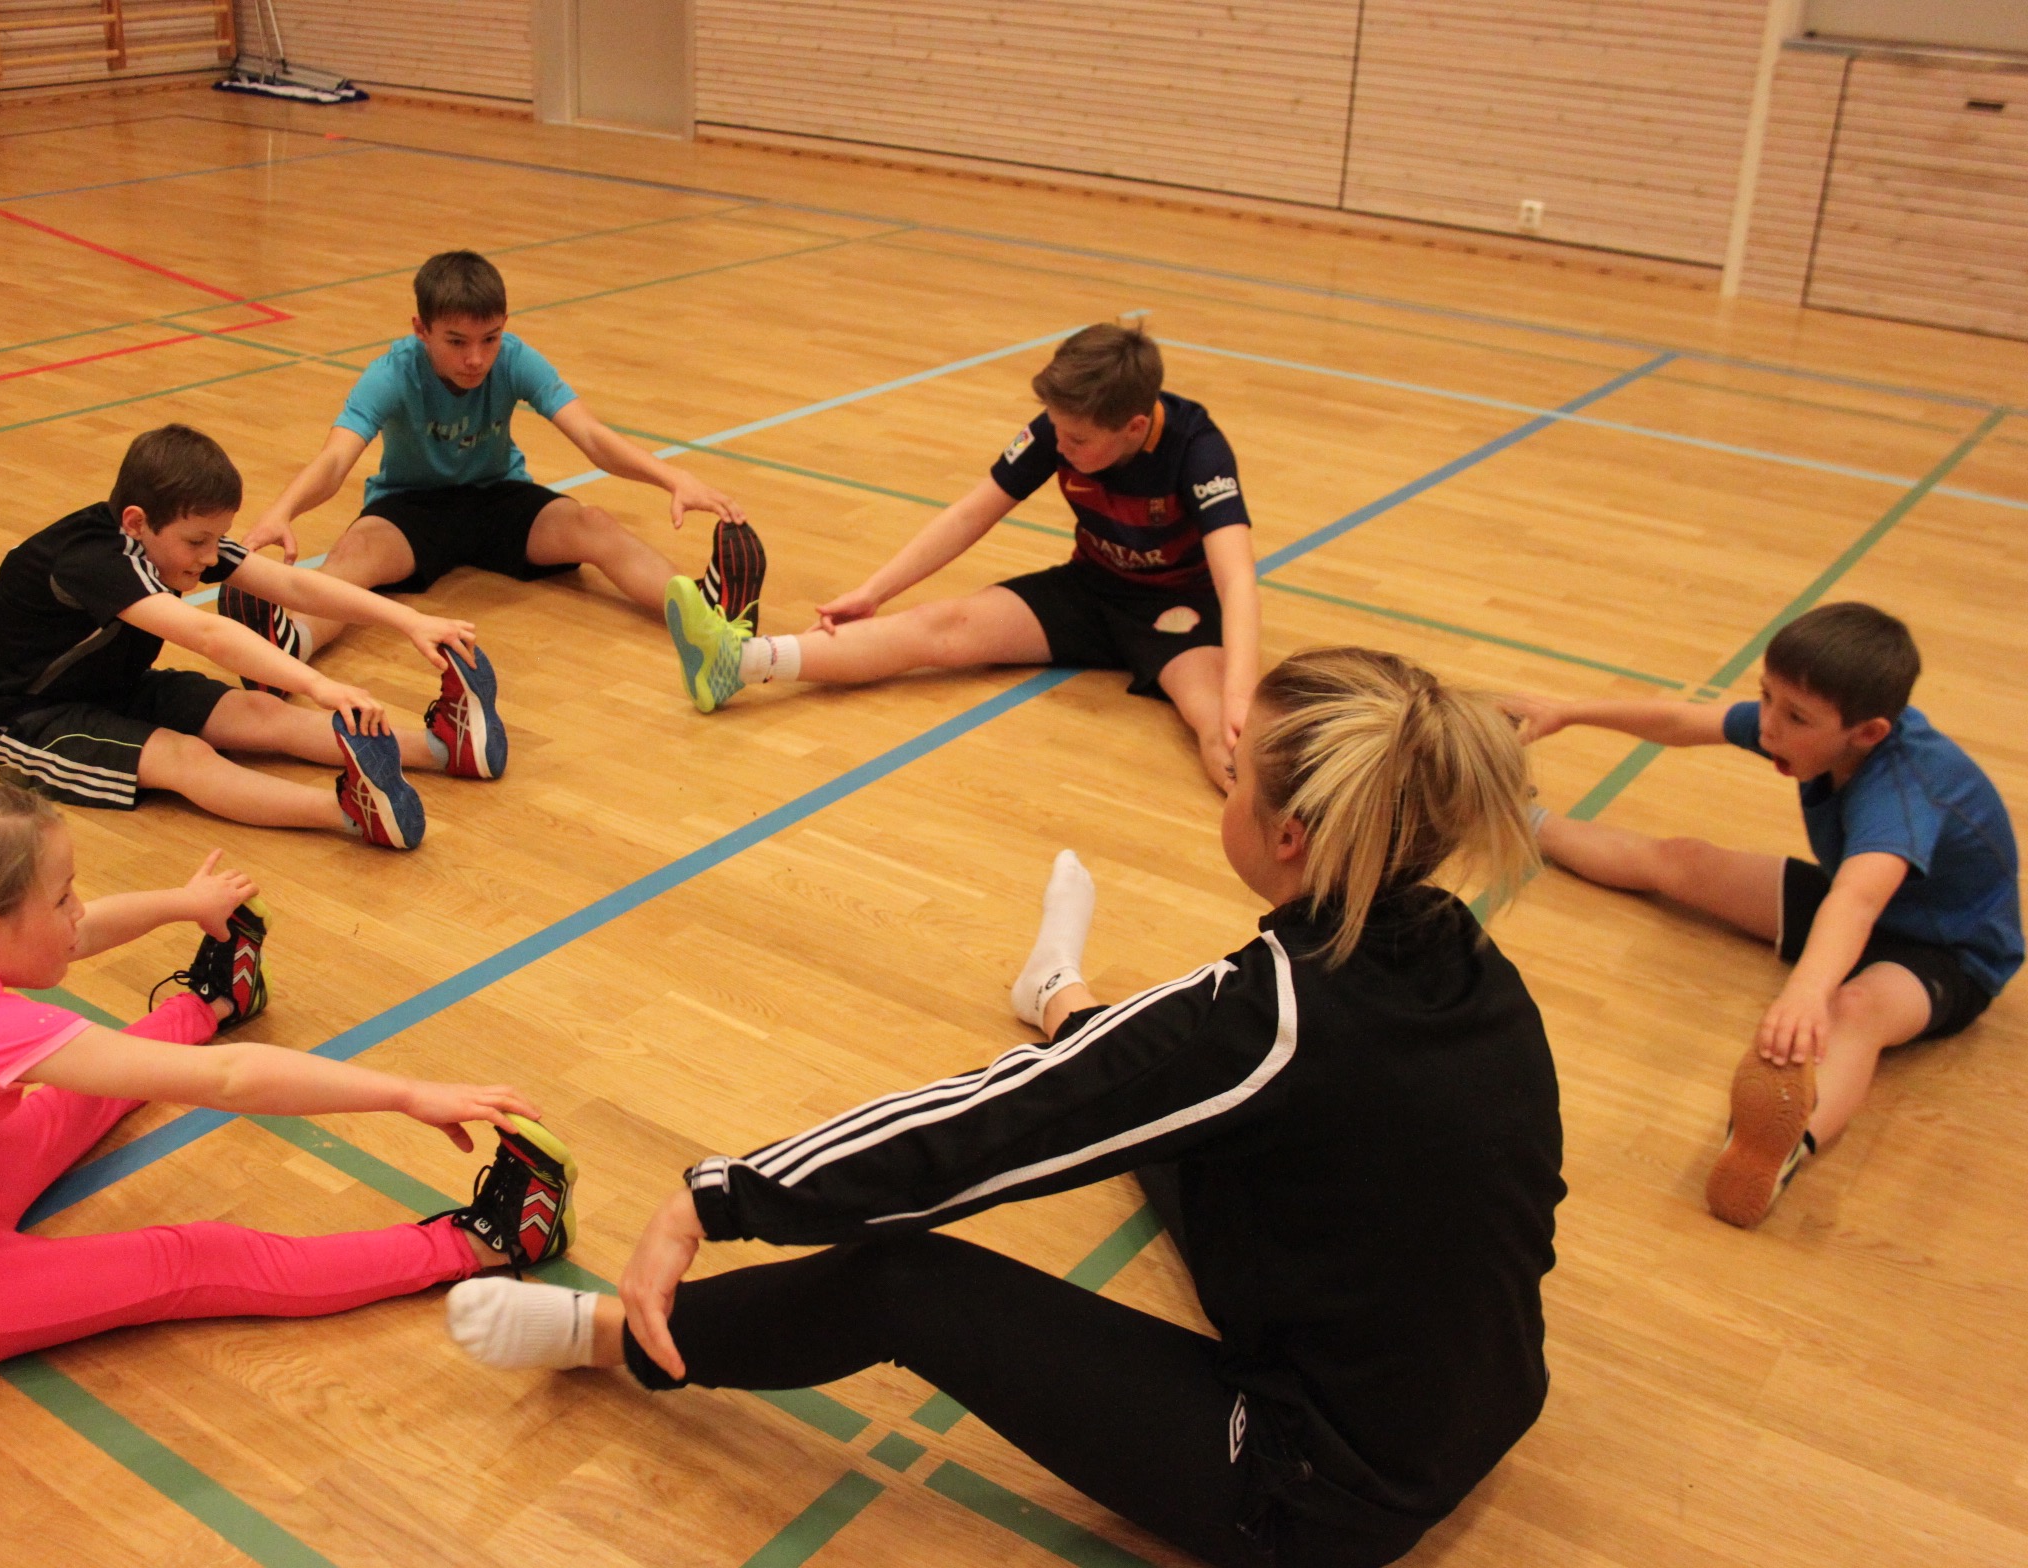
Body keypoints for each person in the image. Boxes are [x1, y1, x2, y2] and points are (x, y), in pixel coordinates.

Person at [449, 648, 1564, 1568]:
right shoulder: (1471, 959)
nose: (1224, 789)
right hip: (1487, 1398)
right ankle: (1060, 995)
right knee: (1167, 1108)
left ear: (1288, 838)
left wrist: (716, 1196)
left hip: (1315, 1490)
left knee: (907, 1279)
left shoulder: (1271, 1020)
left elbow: (989, 1127)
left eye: (1238, 781)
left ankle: (617, 1339)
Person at [0, 783, 577, 1390]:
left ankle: (213, 1000)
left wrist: (182, 902)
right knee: (196, 1256)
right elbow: (230, 1081)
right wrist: (407, 1094)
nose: (78, 912)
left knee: (73, 1093)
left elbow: (67, 941)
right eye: (63, 897)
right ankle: (487, 1244)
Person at [1503, 601, 2021, 1227]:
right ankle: (1518, 819)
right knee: (1685, 861)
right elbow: (1681, 720)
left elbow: (1857, 901)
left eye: (1794, 716)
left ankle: (1775, 1150)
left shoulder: (1903, 793)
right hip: (1860, 902)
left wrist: (1805, 993)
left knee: (1855, 1009)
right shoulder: (1812, 724)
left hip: (1949, 955)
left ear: (1868, 733)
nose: (1769, 726)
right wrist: (1567, 711)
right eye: (1765, 697)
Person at [662, 323, 1259, 792]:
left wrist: (1238, 696)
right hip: (1089, 590)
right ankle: (741, 662)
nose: (1060, 445)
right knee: (937, 626)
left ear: (1133, 427)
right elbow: (971, 514)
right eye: (1056, 430)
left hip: (1175, 612)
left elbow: (1236, 582)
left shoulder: (1197, 449)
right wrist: (873, 591)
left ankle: (1279, 828)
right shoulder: (1061, 428)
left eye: (1076, 440)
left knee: (1215, 726)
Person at [0, 424, 505, 852]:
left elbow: (294, 586)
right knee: (186, 757)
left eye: (217, 539)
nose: (209, 556)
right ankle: (351, 812)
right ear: (136, 521)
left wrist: (408, 620)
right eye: (198, 542)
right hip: (30, 719)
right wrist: (318, 684)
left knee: (260, 711)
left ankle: (444, 749)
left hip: (116, 685)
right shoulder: (90, 560)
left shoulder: (175, 536)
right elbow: (207, 634)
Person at [226, 248, 767, 666]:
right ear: (420, 330)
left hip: (498, 499)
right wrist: (282, 511)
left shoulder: (514, 360)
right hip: (413, 509)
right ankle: (290, 645)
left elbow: (592, 436)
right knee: (353, 555)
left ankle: (706, 617)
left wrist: (672, 477)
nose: (476, 358)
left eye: (490, 338)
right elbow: (334, 461)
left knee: (595, 524)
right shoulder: (391, 374)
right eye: (457, 341)